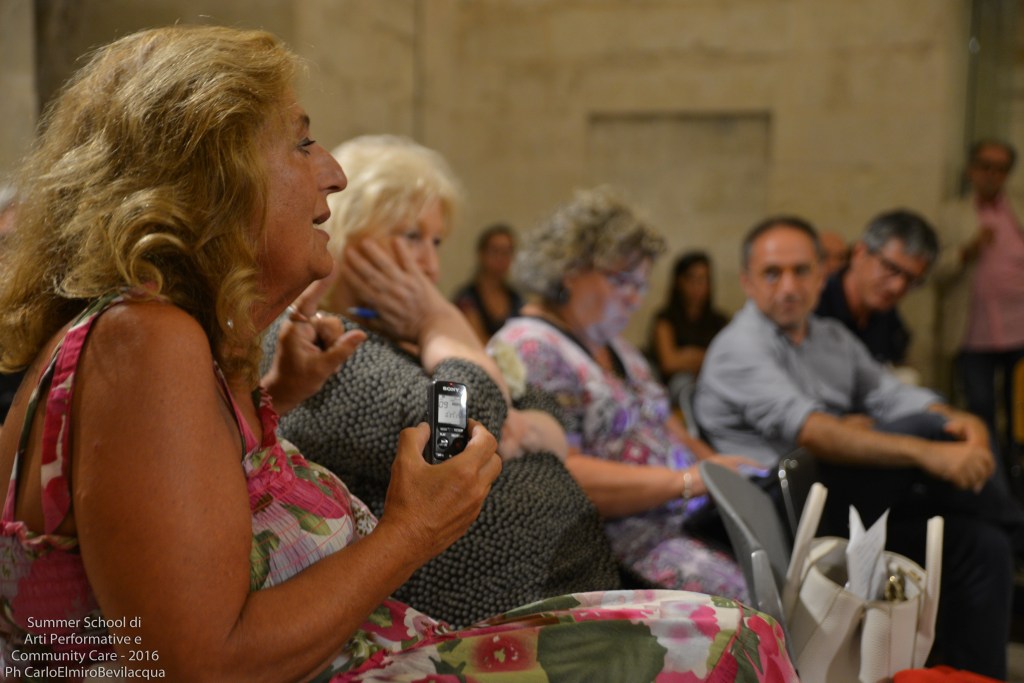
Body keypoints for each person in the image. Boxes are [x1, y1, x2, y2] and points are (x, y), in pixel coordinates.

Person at [0, 26, 798, 682]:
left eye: (435, 241)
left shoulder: (256, 345)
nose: (332, 174)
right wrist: (448, 329)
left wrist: (305, 382)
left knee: (734, 622)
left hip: (484, 602)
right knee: (725, 639)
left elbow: (524, 418)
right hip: (446, 615)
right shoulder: (198, 335)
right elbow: (467, 414)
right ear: (216, 175)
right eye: (302, 145)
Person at [264, 135, 624, 628]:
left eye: (436, 242)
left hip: (559, 592)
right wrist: (443, 325)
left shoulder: (403, 335)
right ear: (346, 231)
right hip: (468, 618)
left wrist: (527, 423)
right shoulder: (316, 340)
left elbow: (538, 403)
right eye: (411, 237)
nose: (431, 265)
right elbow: (454, 427)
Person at [694, 215, 1023, 679]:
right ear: (748, 281)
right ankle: (1017, 527)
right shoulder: (738, 347)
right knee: (927, 434)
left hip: (844, 505)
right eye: (772, 273)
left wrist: (963, 418)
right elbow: (815, 433)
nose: (788, 286)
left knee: (980, 546)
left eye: (801, 271)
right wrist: (928, 451)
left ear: (821, 274)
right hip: (785, 512)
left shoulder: (830, 338)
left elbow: (892, 394)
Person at [490, 187, 762, 601]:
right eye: (622, 280)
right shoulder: (530, 347)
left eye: (642, 284)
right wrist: (685, 481)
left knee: (779, 561)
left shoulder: (616, 345)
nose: (636, 299)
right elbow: (561, 476)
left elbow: (670, 427)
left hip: (677, 518)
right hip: (611, 547)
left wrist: (720, 471)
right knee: (745, 595)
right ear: (569, 267)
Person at [936, 139, 1024, 472]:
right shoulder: (952, 214)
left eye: (1000, 169)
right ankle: (990, 472)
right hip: (974, 332)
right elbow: (934, 271)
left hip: (1019, 329)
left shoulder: (1018, 211)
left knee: (1019, 413)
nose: (992, 175)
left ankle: (1017, 476)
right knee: (980, 406)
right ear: (972, 170)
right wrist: (966, 250)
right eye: (985, 166)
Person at [815, 209, 937, 385]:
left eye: (911, 280)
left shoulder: (888, 319)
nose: (898, 287)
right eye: (891, 268)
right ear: (859, 253)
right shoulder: (813, 308)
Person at [648, 250, 729, 409]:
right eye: (692, 279)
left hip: (713, 381)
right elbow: (669, 362)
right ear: (679, 281)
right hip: (675, 386)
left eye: (703, 280)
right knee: (684, 382)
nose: (698, 287)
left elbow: (727, 360)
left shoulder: (719, 320)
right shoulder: (666, 318)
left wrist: (688, 355)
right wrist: (704, 357)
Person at [453, 223, 524, 343]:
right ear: (481, 254)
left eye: (507, 252)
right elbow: (475, 340)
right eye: (495, 251)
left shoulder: (515, 298)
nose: (501, 259)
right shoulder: (467, 299)